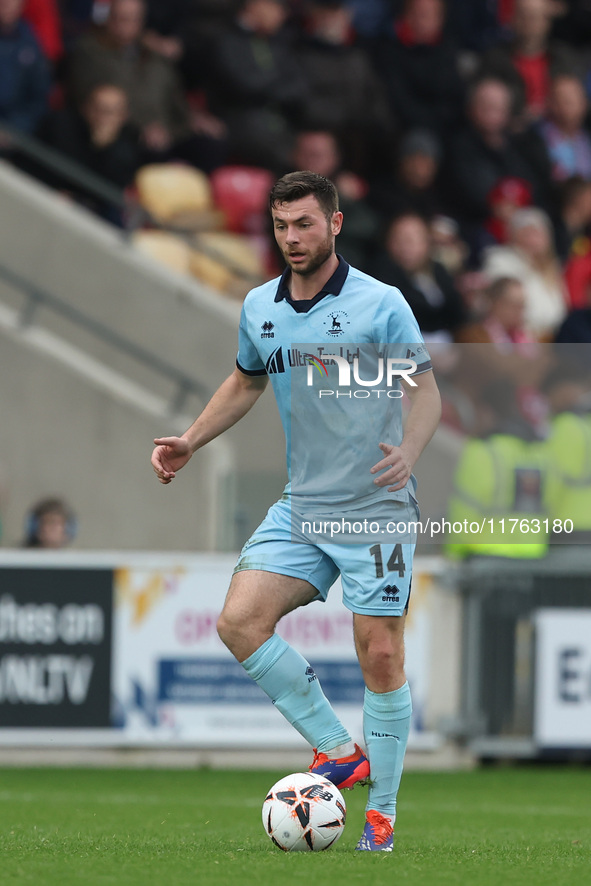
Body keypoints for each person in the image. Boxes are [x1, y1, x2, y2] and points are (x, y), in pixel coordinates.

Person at [151, 170, 441, 852]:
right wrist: (191, 439)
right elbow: (246, 379)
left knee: (379, 652)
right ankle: (338, 751)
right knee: (238, 621)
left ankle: (381, 817)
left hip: (376, 507)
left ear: (334, 224)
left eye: (304, 224)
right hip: (304, 505)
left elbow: (424, 393)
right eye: (281, 226)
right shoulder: (260, 306)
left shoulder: (381, 304)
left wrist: (409, 450)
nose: (292, 238)